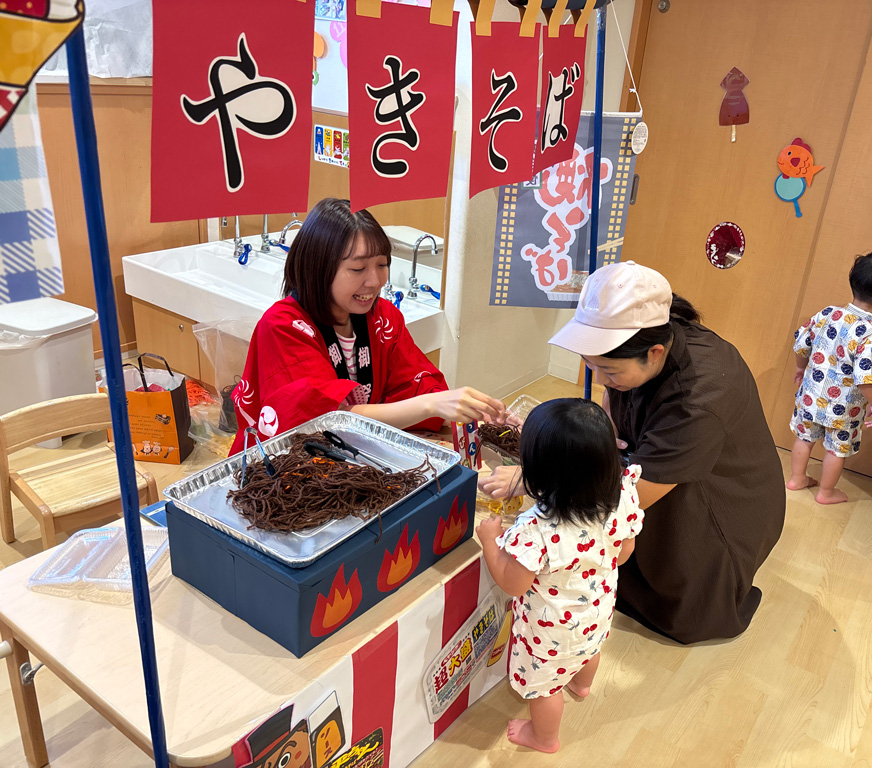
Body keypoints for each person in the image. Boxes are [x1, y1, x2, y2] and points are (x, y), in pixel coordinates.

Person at [481, 261, 785, 644]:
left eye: (609, 371)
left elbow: (633, 495)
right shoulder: (653, 334)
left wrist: (536, 479)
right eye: (591, 366)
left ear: (655, 353)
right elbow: (612, 394)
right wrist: (602, 429)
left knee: (681, 589)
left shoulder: (698, 399)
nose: (601, 379)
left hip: (721, 502)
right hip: (664, 462)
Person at [229, 198, 505, 453]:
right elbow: (322, 420)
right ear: (318, 268)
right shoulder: (284, 326)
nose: (375, 281)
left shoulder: (383, 317)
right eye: (358, 269)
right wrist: (432, 405)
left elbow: (415, 385)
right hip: (297, 467)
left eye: (382, 264)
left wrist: (469, 410)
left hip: (359, 454)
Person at [476, 398, 643, 753]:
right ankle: (582, 686)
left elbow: (513, 582)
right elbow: (625, 551)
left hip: (549, 631)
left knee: (544, 688)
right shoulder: (623, 495)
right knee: (588, 651)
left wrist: (490, 541)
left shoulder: (537, 530)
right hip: (596, 611)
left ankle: (544, 737)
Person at [787, 251, 872, 504]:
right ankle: (825, 492)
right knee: (836, 450)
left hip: (810, 396)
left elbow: (802, 344)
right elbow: (867, 379)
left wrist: (801, 368)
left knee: (804, 437)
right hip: (844, 410)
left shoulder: (827, 314)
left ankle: (796, 478)